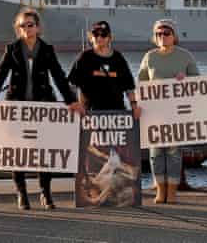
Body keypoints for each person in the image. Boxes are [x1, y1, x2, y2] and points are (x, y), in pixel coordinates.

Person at [0, 8, 83, 210]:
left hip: (42, 106)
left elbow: (59, 76)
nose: (26, 28)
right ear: (18, 28)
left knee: (44, 151)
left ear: (38, 27)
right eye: (22, 25)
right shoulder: (12, 49)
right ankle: (22, 193)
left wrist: (71, 100)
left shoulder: (47, 49)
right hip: (17, 107)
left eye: (30, 25)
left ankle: (45, 192)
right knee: (17, 152)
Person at [137, 19, 199, 204]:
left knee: (173, 153)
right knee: (156, 153)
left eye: (166, 33)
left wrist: (185, 79)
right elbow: (140, 82)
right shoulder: (150, 57)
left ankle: (172, 191)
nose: (162, 36)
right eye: (158, 34)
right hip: (154, 112)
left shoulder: (185, 56)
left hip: (177, 112)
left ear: (174, 36)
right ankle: (160, 190)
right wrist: (137, 104)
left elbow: (199, 82)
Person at [68, 21, 141, 117]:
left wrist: (134, 106)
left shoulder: (118, 58)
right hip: (90, 114)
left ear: (109, 37)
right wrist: (75, 104)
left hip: (117, 114)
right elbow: (72, 84)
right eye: (95, 34)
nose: (99, 38)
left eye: (103, 34)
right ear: (91, 37)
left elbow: (129, 87)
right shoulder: (84, 57)